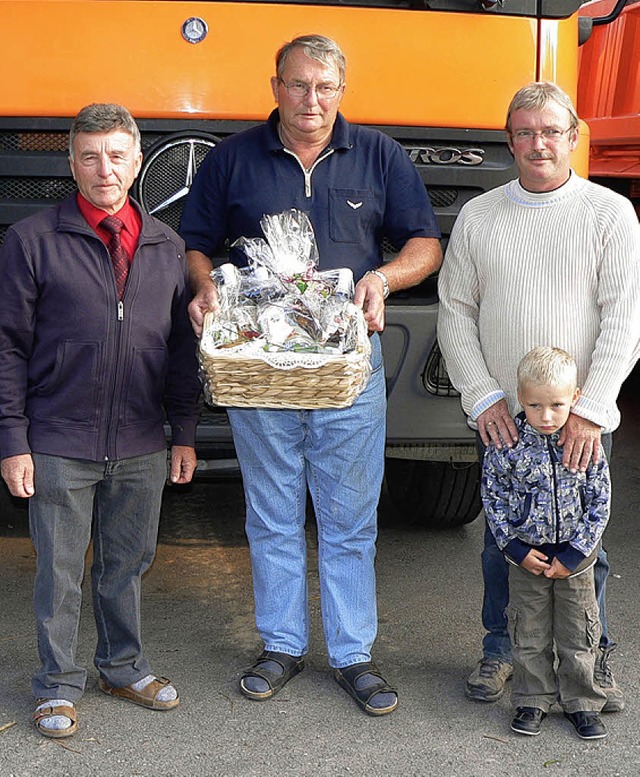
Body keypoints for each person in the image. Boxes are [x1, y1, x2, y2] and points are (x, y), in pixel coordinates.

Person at [180, 34, 442, 715]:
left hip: (346, 373)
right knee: (271, 514)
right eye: (298, 85)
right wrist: (205, 290)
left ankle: (353, 653)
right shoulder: (233, 159)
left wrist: (383, 278)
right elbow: (197, 246)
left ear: (341, 90)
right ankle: (282, 644)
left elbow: (425, 243)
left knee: (349, 518)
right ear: (275, 87)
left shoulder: (379, 154)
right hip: (261, 372)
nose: (311, 100)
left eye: (324, 87)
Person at [438, 81, 640, 711]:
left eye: (551, 131)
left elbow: (623, 319)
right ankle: (501, 650)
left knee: (586, 548)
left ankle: (590, 658)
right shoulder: (480, 216)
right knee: (505, 542)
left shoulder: (609, 214)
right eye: (524, 132)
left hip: (577, 418)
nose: (538, 143)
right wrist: (483, 398)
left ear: (573, 137)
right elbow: (455, 312)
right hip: (507, 418)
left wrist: (589, 410)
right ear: (509, 141)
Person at [0, 104, 200, 738]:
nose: (103, 169)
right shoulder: (31, 240)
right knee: (59, 569)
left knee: (127, 563)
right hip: (59, 439)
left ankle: (122, 665)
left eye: (116, 155)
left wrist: (184, 432)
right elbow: (7, 345)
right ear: (71, 164)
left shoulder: (166, 247)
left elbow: (178, 352)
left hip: (141, 439)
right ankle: (56, 686)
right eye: (89, 156)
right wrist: (13, 438)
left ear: (138, 162)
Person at [483, 347, 610, 739]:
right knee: (529, 633)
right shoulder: (507, 447)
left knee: (578, 632)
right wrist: (516, 550)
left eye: (556, 404)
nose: (547, 416)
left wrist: (575, 554)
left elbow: (601, 501)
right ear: (520, 399)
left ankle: (582, 702)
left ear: (575, 397)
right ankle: (532, 699)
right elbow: (493, 499)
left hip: (576, 560)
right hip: (528, 559)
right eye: (535, 405)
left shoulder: (587, 445)